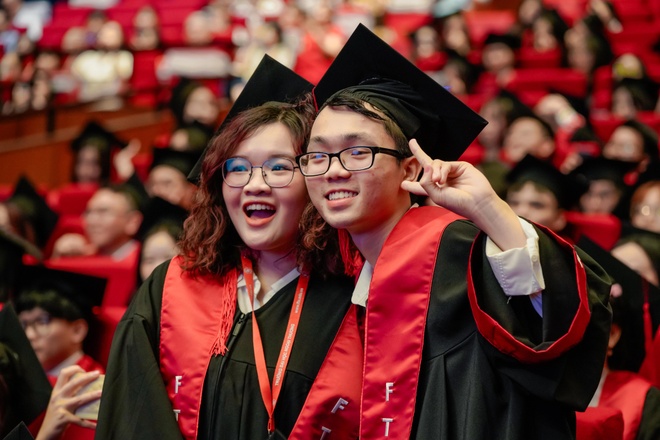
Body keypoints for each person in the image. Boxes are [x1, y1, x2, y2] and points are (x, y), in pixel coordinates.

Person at [297, 24, 611, 439]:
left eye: (357, 152)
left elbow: (555, 320)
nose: (333, 170)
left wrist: (488, 209)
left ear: (409, 169)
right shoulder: (348, 278)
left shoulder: (456, 247)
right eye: (317, 155)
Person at [96, 56, 356, 439]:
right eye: (237, 168)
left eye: (279, 167)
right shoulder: (170, 289)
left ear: (315, 180)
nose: (254, 184)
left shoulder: (353, 303)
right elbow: (133, 416)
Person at [51, 178, 146, 260]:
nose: (92, 220)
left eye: (103, 212)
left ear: (132, 222)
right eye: (88, 212)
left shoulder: (147, 261)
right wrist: (60, 259)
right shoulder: (80, 256)